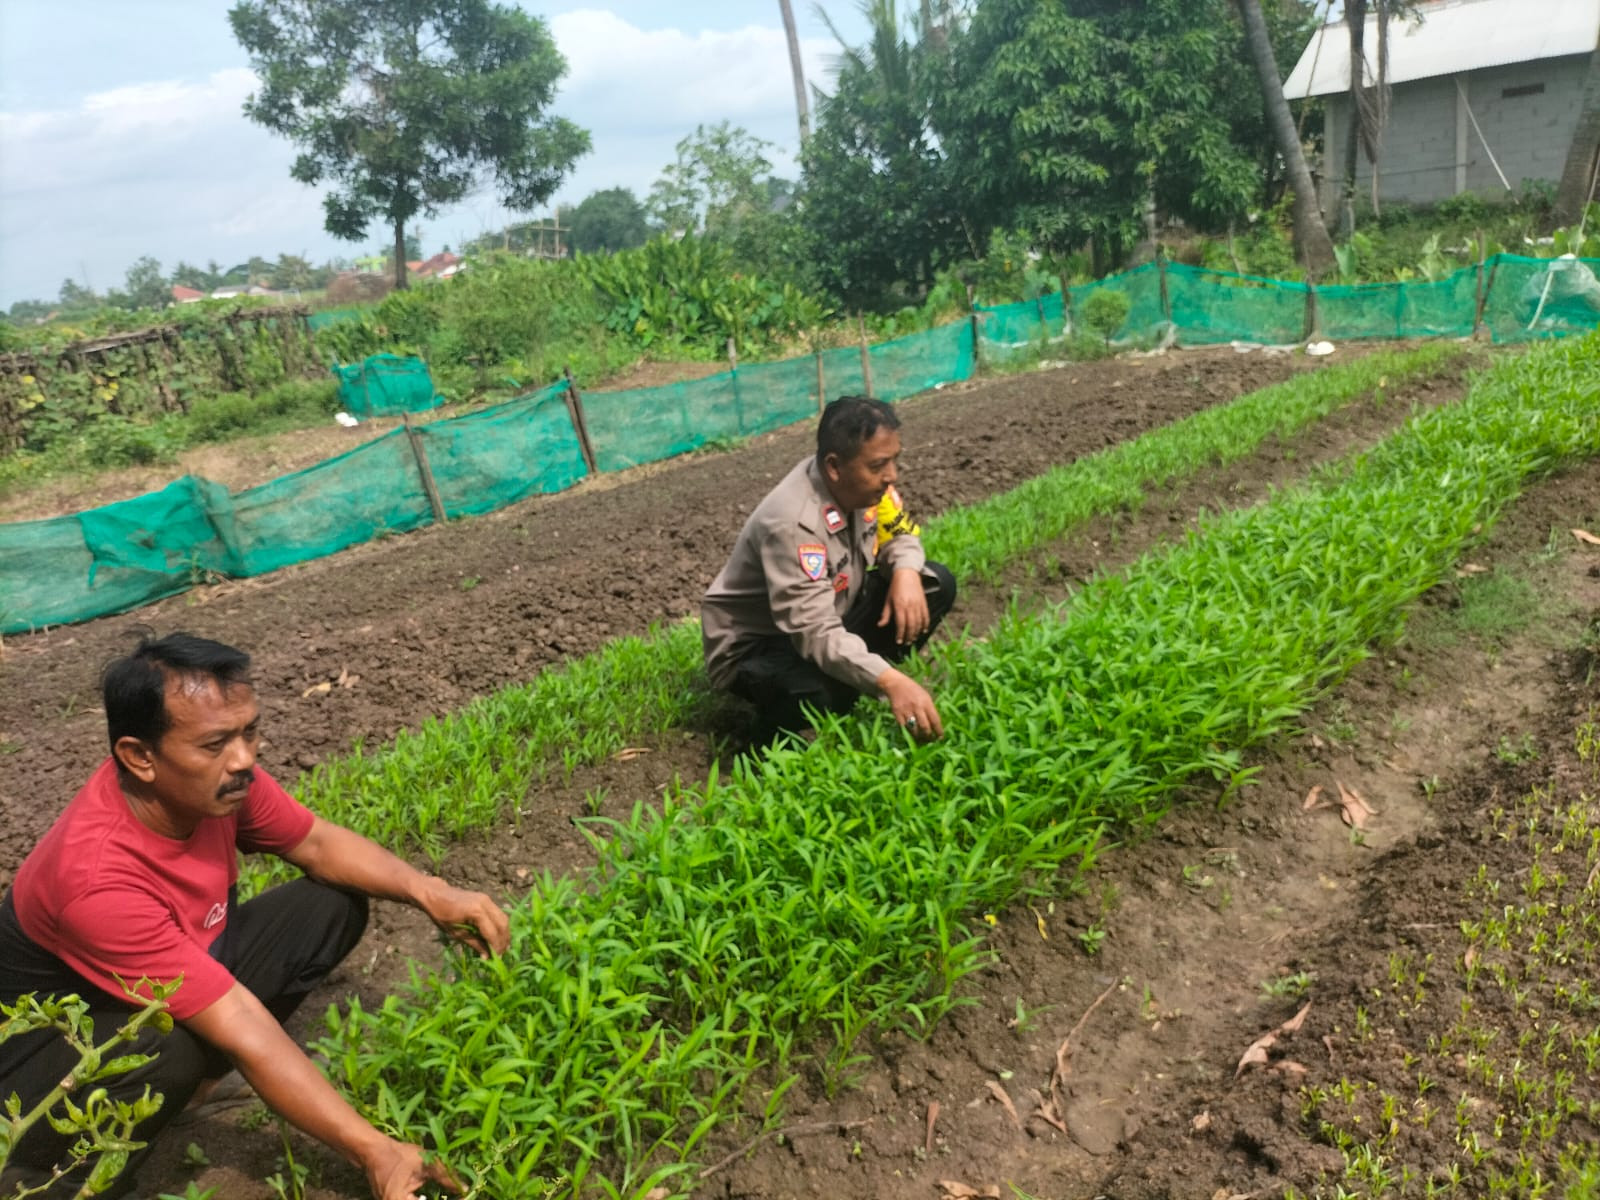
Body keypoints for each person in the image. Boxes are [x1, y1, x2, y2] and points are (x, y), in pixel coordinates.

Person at [0, 632, 510, 1200]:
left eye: (249, 731)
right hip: (37, 1066)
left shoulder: (215, 786)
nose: (244, 759)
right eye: (215, 743)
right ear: (140, 757)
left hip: (150, 984)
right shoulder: (95, 880)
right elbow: (239, 1018)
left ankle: (193, 1090)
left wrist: (429, 890)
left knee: (325, 905)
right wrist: (377, 1151)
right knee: (166, 1046)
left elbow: (316, 844)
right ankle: (49, 1175)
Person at [703, 394, 956, 746]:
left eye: (894, 461)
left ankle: (857, 677)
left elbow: (898, 533)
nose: (891, 476)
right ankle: (762, 741)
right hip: (760, 646)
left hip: (833, 610)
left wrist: (906, 572)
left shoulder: (864, 485)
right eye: (879, 465)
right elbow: (814, 631)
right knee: (815, 691)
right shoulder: (792, 523)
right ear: (835, 466)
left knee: (935, 584)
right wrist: (890, 682)